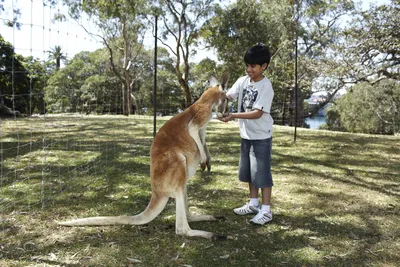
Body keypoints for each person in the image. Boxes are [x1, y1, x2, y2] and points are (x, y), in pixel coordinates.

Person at [220, 43, 274, 225]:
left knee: (262, 174)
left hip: (261, 136)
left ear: (264, 66)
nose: (249, 69)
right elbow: (228, 95)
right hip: (246, 135)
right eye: (247, 66)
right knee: (251, 173)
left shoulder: (266, 86)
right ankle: (253, 204)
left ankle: (266, 210)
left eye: (253, 66)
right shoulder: (242, 81)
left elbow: (258, 113)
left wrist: (233, 115)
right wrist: (217, 94)